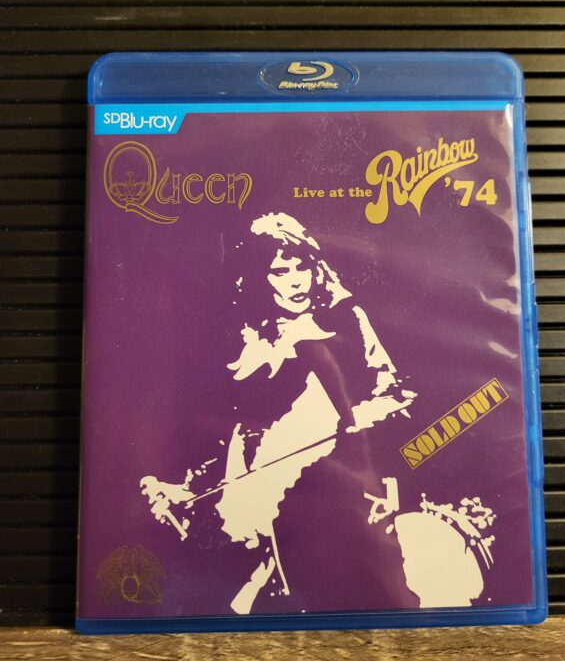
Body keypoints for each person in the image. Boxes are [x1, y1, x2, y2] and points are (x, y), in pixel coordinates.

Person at [141, 212, 416, 613]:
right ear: (258, 276)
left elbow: (396, 394)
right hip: (255, 502)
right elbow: (240, 437)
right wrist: (187, 488)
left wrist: (357, 418)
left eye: (301, 267)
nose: (296, 281)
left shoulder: (345, 319)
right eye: (280, 272)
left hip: (334, 492)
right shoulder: (248, 335)